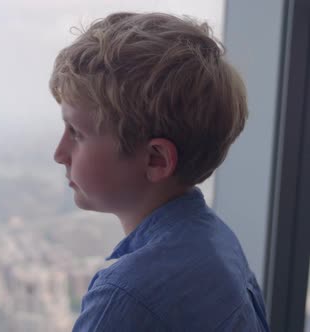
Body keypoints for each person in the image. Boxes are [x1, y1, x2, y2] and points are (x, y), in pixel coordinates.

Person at [50, 12, 270, 331]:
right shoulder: (220, 244)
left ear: (156, 159)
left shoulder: (126, 296)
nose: (59, 154)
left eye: (76, 132)